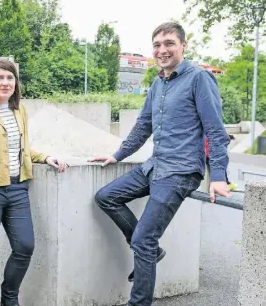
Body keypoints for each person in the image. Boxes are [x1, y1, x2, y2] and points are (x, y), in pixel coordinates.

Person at [89, 22, 231, 306]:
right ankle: (151, 253)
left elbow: (216, 130)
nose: (162, 50)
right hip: (156, 166)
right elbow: (144, 126)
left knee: (143, 239)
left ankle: (138, 302)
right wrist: (118, 155)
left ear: (183, 46)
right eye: (157, 45)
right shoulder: (158, 83)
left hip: (180, 172)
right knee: (106, 197)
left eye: (169, 43)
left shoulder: (199, 79)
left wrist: (218, 176)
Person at [0, 59, 67, 306]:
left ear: (15, 82)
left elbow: (23, 147)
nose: (5, 83)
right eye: (0, 78)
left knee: (25, 246)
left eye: (10, 78)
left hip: (17, 189)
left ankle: (9, 296)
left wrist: (45, 157)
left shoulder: (20, 110)